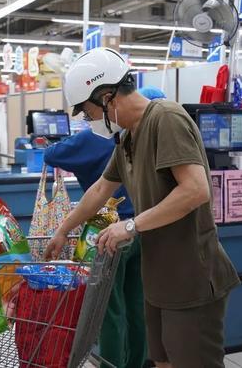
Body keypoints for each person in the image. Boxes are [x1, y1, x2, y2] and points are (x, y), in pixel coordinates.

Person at [45, 47, 240, 368]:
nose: (88, 120)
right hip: (160, 276)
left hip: (191, 276)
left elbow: (195, 189)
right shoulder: (128, 137)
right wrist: (63, 230)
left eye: (88, 111)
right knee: (161, 361)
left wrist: (131, 225)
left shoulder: (166, 119)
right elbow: (99, 190)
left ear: (107, 97)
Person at [43, 86, 166, 368]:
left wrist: (62, 230)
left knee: (109, 309)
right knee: (138, 305)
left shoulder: (98, 136)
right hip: (142, 228)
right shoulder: (139, 138)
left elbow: (53, 155)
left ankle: (113, 364)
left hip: (108, 232)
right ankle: (135, 363)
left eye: (88, 111)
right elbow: (102, 186)